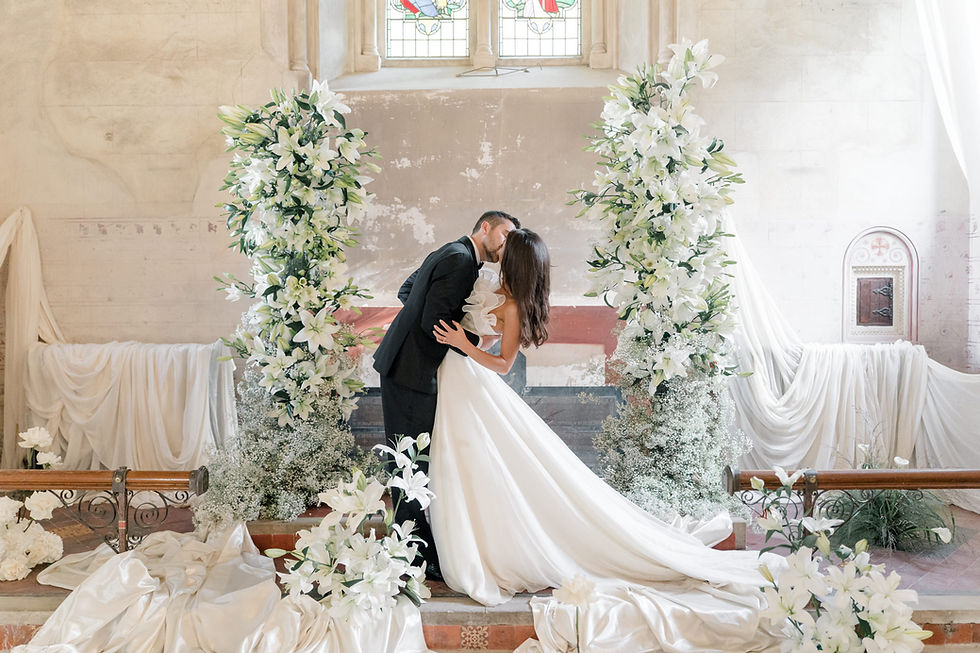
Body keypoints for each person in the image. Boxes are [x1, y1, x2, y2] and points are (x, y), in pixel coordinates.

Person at [430, 229, 782, 652]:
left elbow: (503, 364)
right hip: (461, 379)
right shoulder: (500, 291)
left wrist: (460, 344)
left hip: (470, 378)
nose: (498, 248)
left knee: (483, 463)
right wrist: (467, 340)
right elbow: (487, 338)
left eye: (505, 247)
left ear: (517, 260)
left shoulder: (514, 303)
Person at [372, 210, 519, 579]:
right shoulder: (461, 261)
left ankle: (413, 544)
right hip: (411, 372)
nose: (505, 243)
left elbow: (409, 292)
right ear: (485, 226)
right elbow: (433, 321)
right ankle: (409, 553)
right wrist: (473, 342)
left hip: (407, 365)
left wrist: (418, 331)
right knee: (409, 460)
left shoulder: (452, 252)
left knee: (410, 458)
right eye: (504, 233)